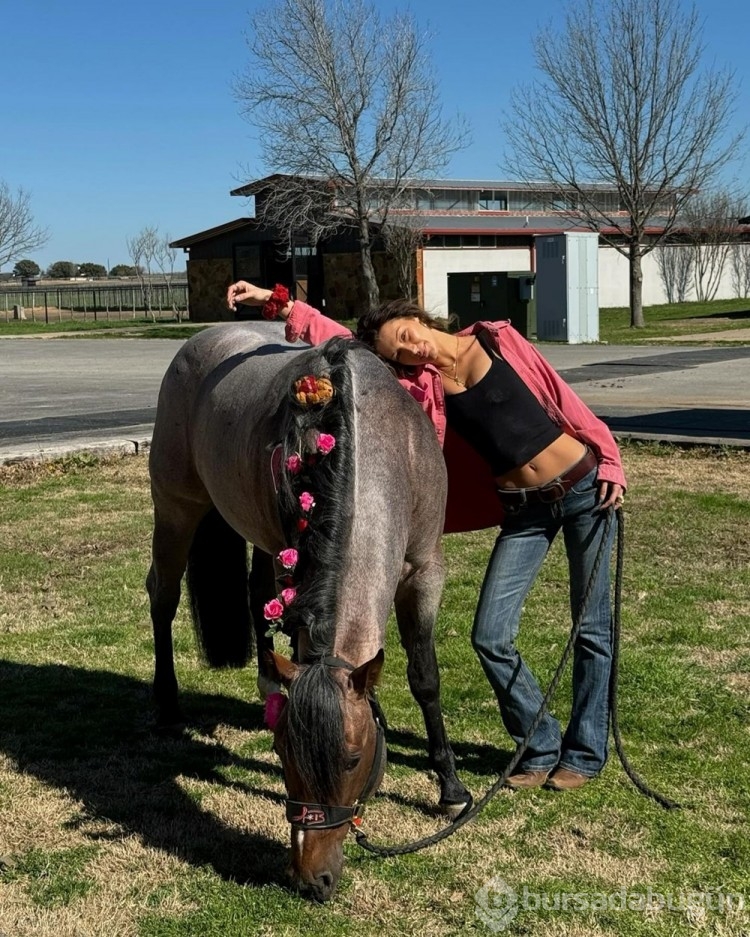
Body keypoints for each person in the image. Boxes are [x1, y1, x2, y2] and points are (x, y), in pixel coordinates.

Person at [226, 280, 626, 792]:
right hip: (524, 513)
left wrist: (608, 456)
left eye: (408, 333)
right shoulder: (423, 388)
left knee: (591, 629)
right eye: (400, 351)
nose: (413, 347)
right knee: (490, 636)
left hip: (585, 487)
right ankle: (540, 741)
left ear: (419, 317)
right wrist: (279, 304)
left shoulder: (498, 339)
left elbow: (561, 398)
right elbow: (343, 340)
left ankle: (586, 754)